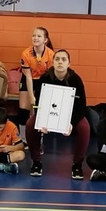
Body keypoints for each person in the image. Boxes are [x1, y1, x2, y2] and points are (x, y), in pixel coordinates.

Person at [26, 49, 90, 180]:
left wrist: (71, 123)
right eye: (57, 59)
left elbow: (81, 106)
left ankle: (77, 165)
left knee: (84, 128)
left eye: (63, 59)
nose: (60, 62)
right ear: (53, 62)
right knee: (30, 125)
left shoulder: (76, 80)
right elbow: (39, 103)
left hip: (71, 116)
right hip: (49, 113)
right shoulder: (45, 78)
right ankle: (36, 162)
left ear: (69, 64)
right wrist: (44, 121)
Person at [18, 26, 55, 125]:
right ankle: (23, 133)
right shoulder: (26, 53)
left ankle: (39, 130)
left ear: (45, 40)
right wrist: (31, 96)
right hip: (28, 78)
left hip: (43, 80)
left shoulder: (51, 54)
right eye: (33, 36)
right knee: (24, 107)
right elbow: (28, 77)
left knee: (39, 107)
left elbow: (49, 76)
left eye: (39, 36)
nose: (35, 38)